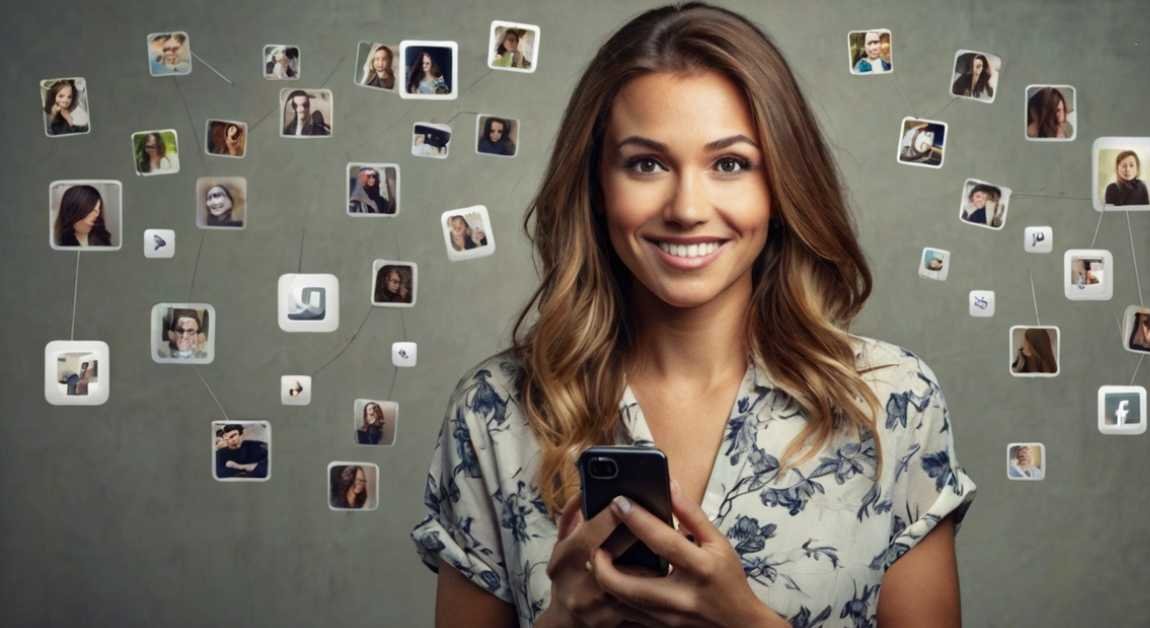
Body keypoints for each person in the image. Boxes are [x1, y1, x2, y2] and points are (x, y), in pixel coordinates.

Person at [410, 4, 975, 627]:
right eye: (646, 163)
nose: (686, 208)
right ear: (597, 186)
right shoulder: (495, 412)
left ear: (780, 184)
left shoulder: (890, 402)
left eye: (729, 164)